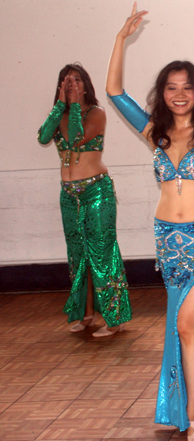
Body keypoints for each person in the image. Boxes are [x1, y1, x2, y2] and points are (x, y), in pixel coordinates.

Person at [106, 4, 194, 441]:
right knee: (187, 325)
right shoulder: (155, 134)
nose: (178, 94)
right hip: (168, 240)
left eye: (186, 88)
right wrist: (121, 39)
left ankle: (192, 416)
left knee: (186, 324)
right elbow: (113, 91)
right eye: (170, 88)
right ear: (162, 93)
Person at [37, 64, 132, 336]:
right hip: (68, 194)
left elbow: (76, 139)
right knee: (78, 256)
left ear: (85, 84)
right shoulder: (59, 115)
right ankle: (86, 314)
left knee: (101, 254)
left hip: (96, 191)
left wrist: (76, 104)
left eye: (76, 80)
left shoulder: (96, 113)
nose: (71, 84)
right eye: (66, 81)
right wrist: (60, 107)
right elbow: (43, 137)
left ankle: (116, 319)